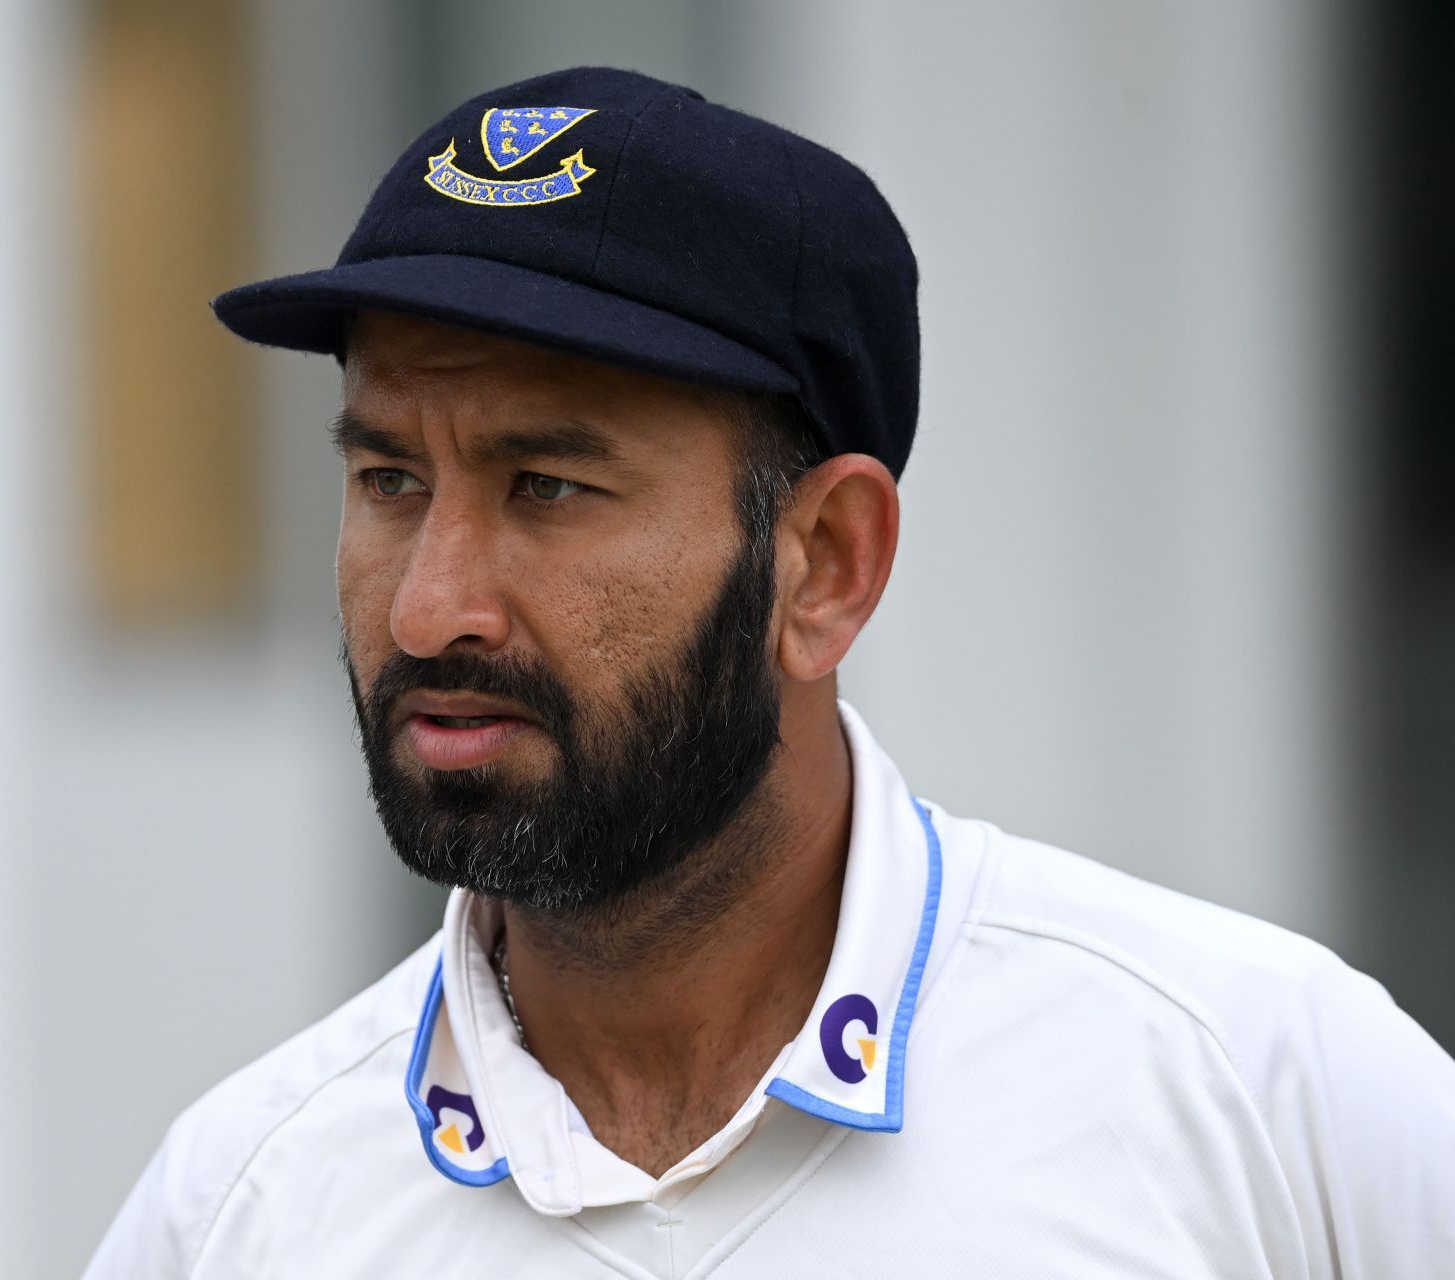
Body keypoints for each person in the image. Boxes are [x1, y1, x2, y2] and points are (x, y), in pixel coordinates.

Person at [84, 66, 1455, 1278]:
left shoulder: (1264, 1096)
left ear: (828, 562)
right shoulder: (239, 1210)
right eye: (389, 478)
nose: (433, 608)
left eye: (549, 486)